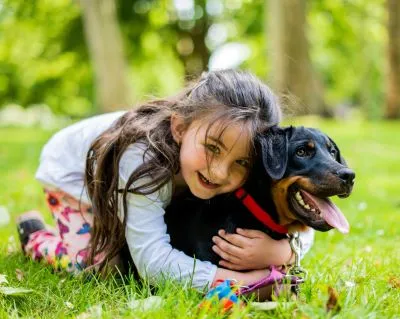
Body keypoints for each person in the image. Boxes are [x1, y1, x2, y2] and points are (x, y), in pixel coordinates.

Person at [16, 69, 314, 291]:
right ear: (180, 128)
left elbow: (300, 213)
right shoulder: (142, 158)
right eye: (212, 148)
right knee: (102, 268)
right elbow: (151, 263)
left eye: (242, 163)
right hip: (73, 176)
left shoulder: (242, 154)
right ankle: (35, 237)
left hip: (137, 186)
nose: (220, 172)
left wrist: (284, 251)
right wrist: (242, 282)